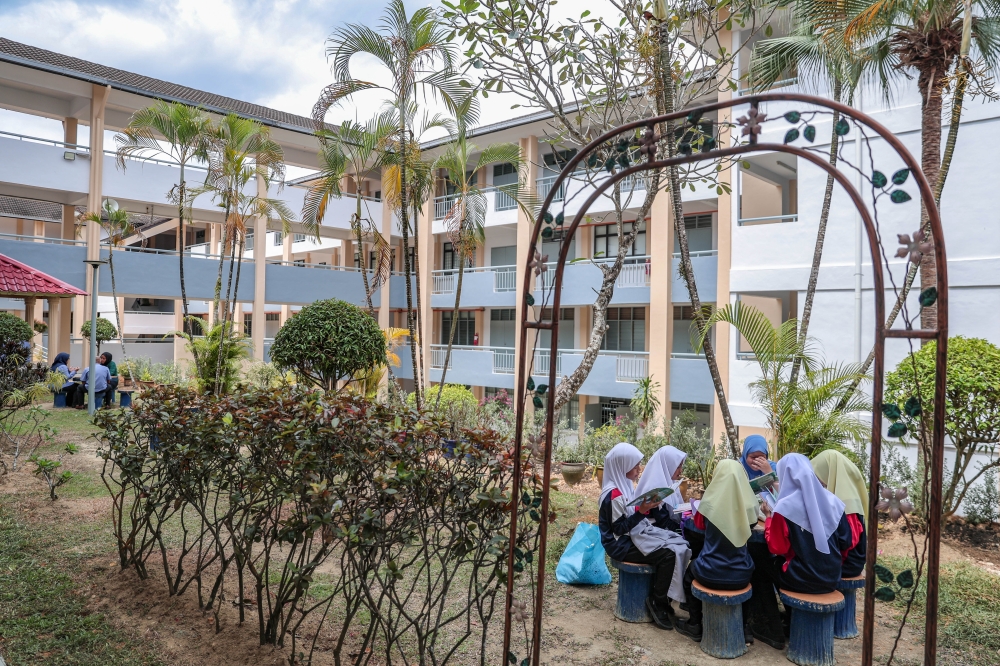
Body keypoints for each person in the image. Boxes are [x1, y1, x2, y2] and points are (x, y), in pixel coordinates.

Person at [750, 453, 852, 646]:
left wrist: (770, 518)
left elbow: (777, 547)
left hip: (802, 579)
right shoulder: (833, 502)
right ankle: (789, 617)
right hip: (832, 577)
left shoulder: (785, 507)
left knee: (761, 564)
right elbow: (846, 542)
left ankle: (770, 626)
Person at [598, 443, 685, 630]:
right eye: (635, 465)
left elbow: (628, 515)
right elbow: (619, 528)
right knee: (667, 554)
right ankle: (657, 602)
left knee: (675, 542)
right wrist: (642, 511)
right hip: (618, 545)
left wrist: (645, 508)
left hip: (628, 537)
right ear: (622, 466)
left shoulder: (625, 485)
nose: (639, 469)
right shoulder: (613, 494)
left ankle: (665, 599)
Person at [675, 460, 759, 643]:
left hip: (710, 570)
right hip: (741, 572)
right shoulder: (751, 506)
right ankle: (745, 629)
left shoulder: (708, 504)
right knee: (754, 578)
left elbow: (699, 526)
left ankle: (695, 624)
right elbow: (752, 525)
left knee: (689, 574)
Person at [811, 449, 868, 578]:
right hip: (845, 561)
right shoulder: (842, 494)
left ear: (829, 473)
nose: (817, 481)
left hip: (848, 564)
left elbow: (849, 542)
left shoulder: (846, 500)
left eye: (818, 475)